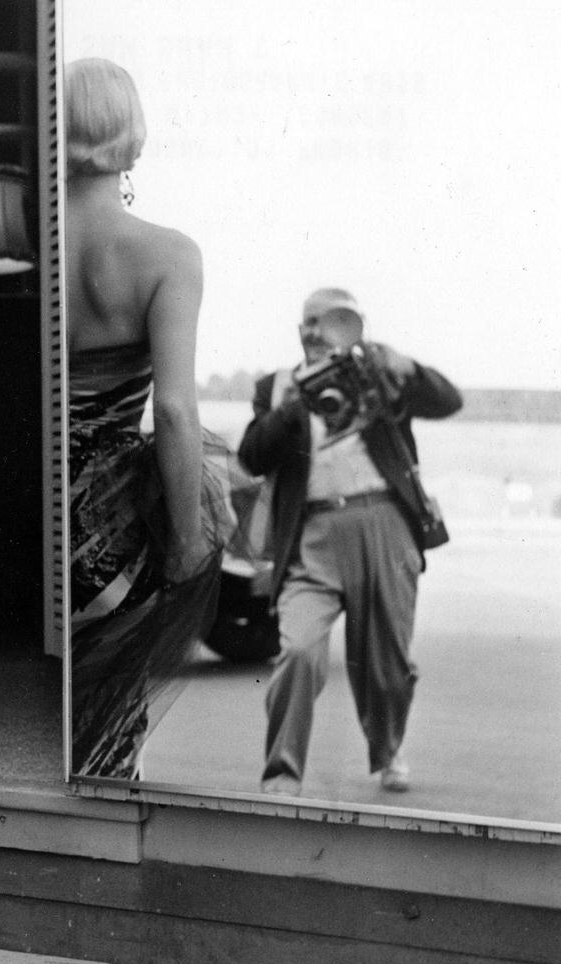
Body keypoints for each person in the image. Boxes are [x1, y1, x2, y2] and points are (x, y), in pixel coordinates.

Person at [63, 57, 227, 779]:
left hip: (34, 515)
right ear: (133, 141)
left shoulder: (36, 248)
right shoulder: (166, 254)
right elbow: (177, 408)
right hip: (112, 523)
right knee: (107, 715)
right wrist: (188, 539)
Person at [238, 287, 462, 797]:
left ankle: (388, 751)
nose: (315, 331)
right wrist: (289, 405)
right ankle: (282, 773)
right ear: (298, 331)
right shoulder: (277, 386)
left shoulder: (374, 374)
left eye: (328, 321)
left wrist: (404, 367)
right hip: (312, 535)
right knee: (297, 651)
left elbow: (449, 401)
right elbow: (251, 456)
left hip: (385, 522)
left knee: (387, 664)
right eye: (308, 322)